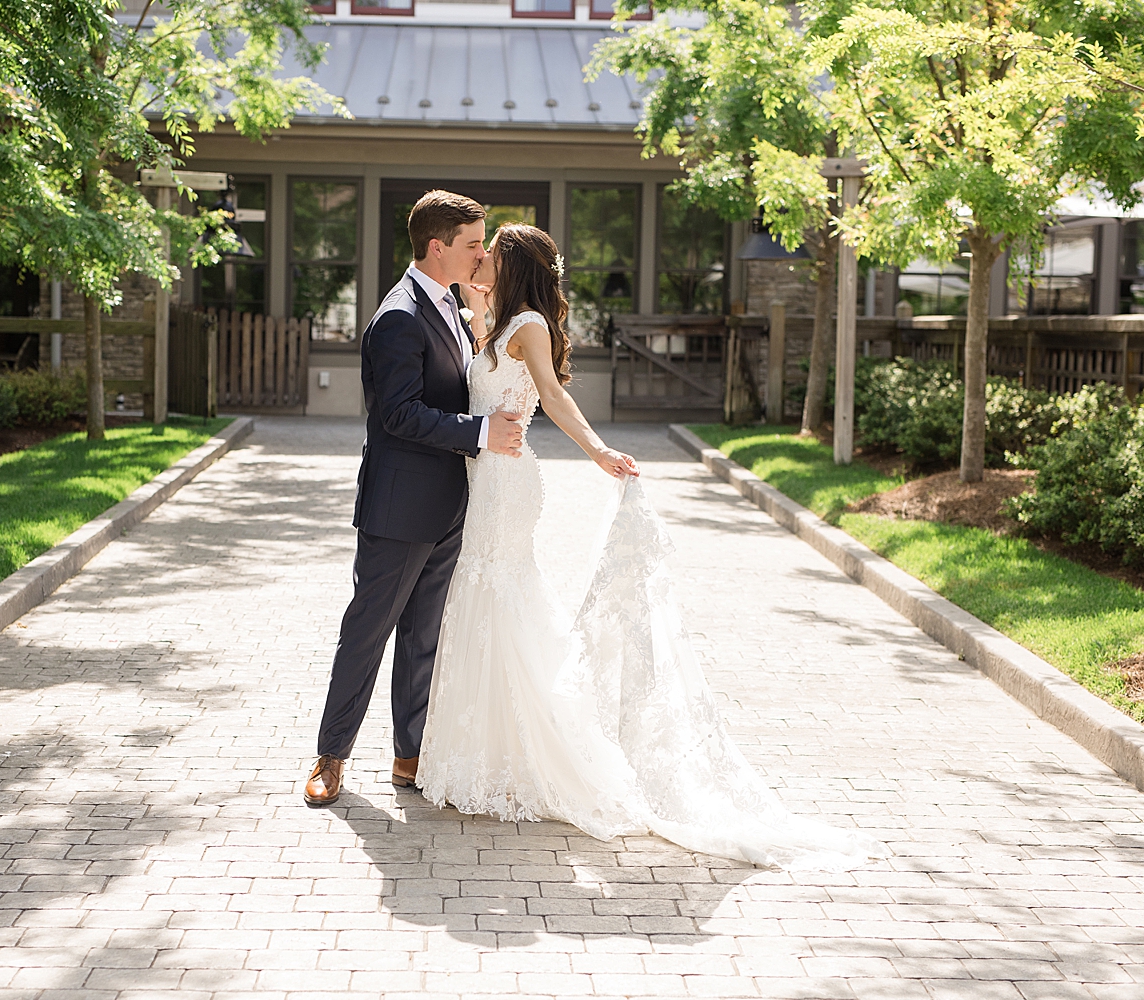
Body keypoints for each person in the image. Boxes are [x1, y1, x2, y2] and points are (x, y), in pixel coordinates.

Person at [416, 223, 885, 869]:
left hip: (508, 483)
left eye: (490, 252)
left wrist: (600, 451)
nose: (481, 258)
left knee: (498, 597)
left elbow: (553, 398)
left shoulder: (527, 326)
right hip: (482, 476)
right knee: (482, 599)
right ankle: (491, 756)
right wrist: (470, 291)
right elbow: (480, 349)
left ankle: (538, 756)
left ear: (514, 264)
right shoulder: (496, 320)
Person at [304, 191, 523, 806]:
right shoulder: (398, 316)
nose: (482, 254)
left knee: (424, 637)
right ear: (437, 246)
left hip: (450, 505)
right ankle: (330, 755)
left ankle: (410, 755)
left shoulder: (451, 305)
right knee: (368, 632)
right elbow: (396, 415)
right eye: (473, 244)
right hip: (399, 510)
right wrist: (481, 434)